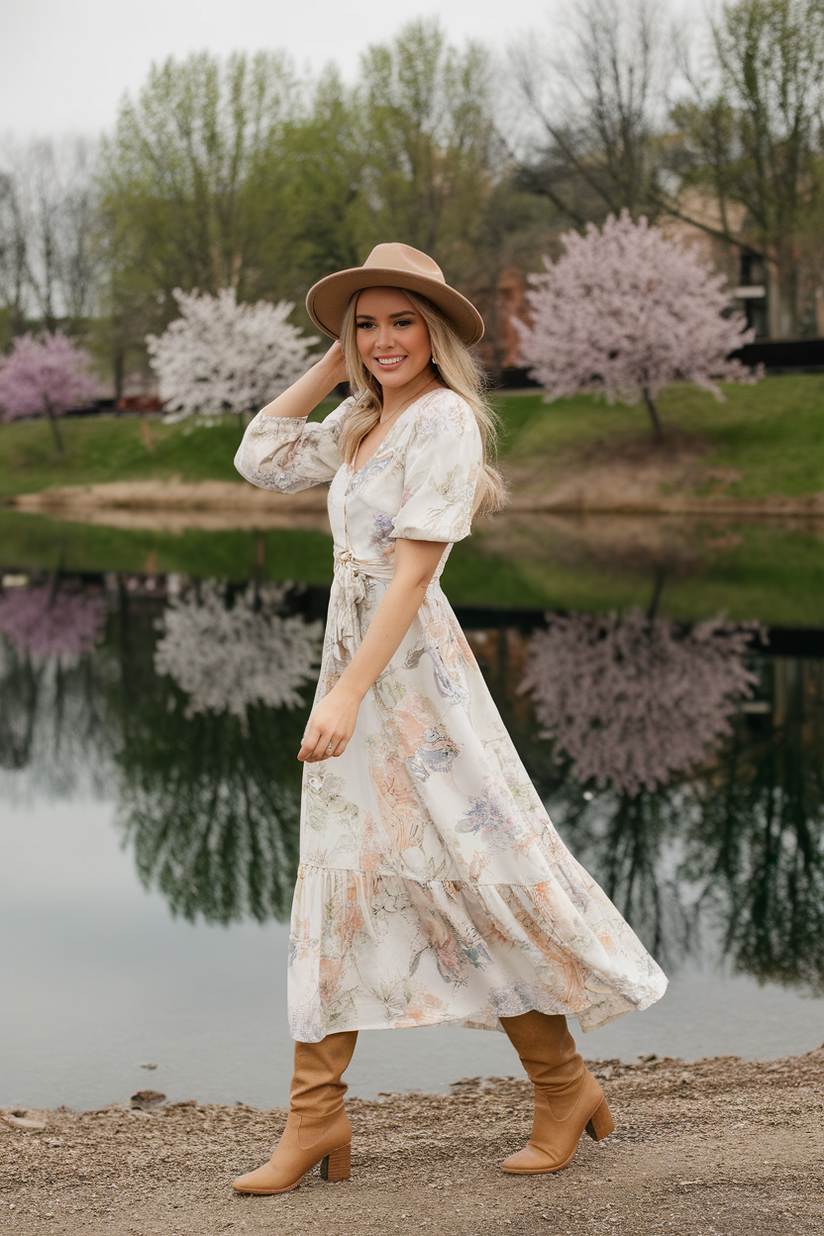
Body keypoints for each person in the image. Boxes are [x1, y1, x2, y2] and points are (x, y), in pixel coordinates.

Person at [231, 243, 667, 1195]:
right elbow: (259, 453)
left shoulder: (445, 423)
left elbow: (416, 571)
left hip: (410, 677)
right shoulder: (362, 418)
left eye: (401, 321)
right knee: (339, 877)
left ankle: (564, 1088)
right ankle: (317, 1119)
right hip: (353, 662)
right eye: (367, 323)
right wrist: (337, 364)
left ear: (436, 332)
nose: (385, 340)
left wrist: (348, 692)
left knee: (474, 873)